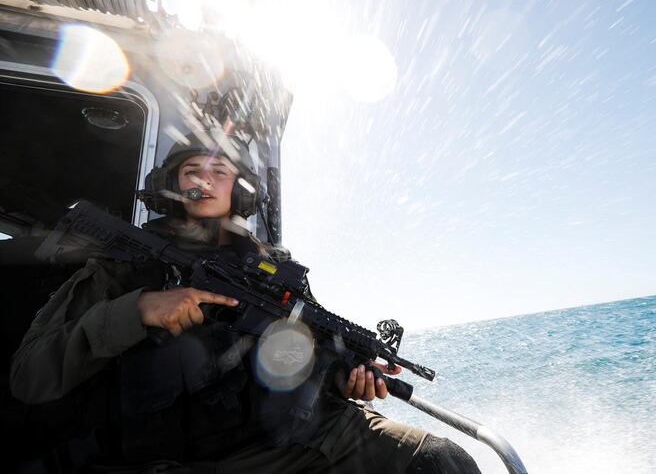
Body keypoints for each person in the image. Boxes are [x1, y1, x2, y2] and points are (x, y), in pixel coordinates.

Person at [10, 130, 480, 473]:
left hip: (282, 444)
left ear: (239, 188)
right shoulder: (125, 264)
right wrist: (136, 311)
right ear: (174, 185)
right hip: (165, 458)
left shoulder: (272, 268)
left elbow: (300, 356)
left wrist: (345, 377)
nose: (207, 181)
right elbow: (29, 378)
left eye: (222, 172)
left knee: (443, 462)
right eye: (193, 171)